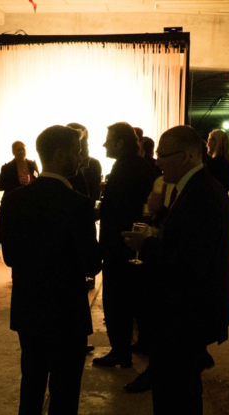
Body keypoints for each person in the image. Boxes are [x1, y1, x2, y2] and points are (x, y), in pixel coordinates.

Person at [123, 125, 229, 415]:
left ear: (186, 156)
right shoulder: (196, 189)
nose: (158, 164)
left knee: (178, 399)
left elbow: (189, 261)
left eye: (163, 157)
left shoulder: (201, 193)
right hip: (184, 310)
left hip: (185, 313)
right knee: (174, 396)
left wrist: (147, 247)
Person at [0, 124, 103, 415]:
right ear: (59, 154)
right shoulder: (76, 204)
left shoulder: (17, 199)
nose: (81, 156)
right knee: (63, 397)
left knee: (31, 390)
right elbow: (91, 263)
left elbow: (8, 255)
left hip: (29, 310)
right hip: (67, 315)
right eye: (76, 149)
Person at [94, 122, 161, 370]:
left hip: (120, 245)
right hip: (137, 244)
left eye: (108, 140)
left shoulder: (123, 168)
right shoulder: (143, 166)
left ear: (120, 143)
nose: (104, 144)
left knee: (117, 301)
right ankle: (140, 344)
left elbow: (117, 210)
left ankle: (120, 352)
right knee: (138, 299)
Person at [65, 123, 103, 201]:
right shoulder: (64, 162)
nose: (85, 142)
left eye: (85, 138)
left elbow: (95, 193)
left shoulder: (94, 164)